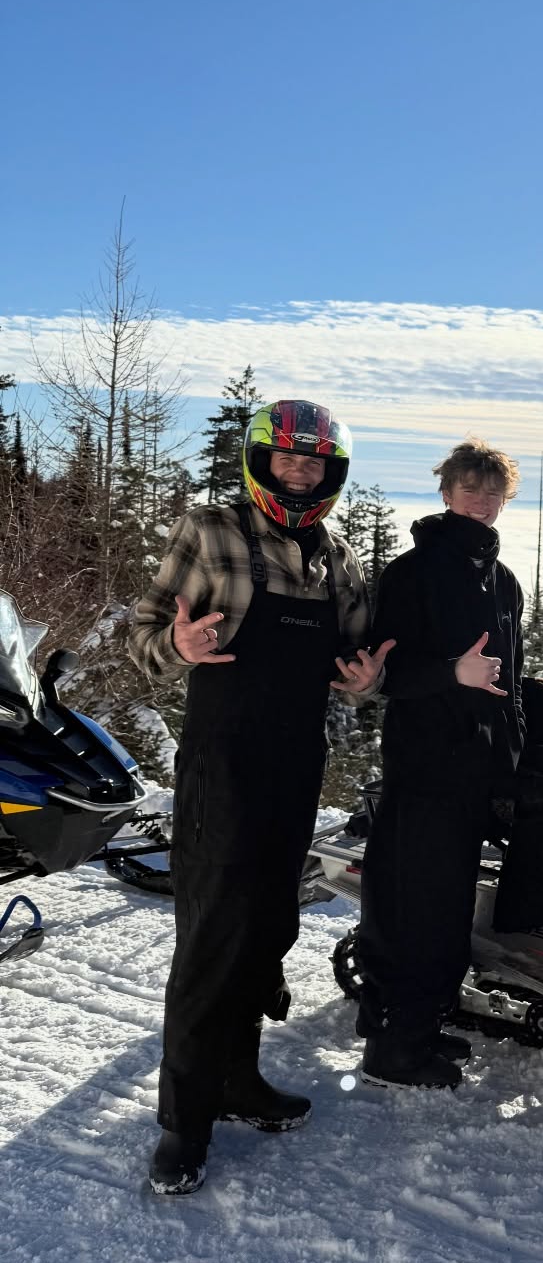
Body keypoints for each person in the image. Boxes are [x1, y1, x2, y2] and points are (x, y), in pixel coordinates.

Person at [130, 400, 389, 1195]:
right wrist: (176, 644)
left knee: (272, 922)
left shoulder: (337, 558)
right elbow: (140, 634)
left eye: (315, 464)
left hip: (293, 761)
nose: (301, 473)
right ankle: (183, 1124)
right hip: (222, 759)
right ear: (262, 460)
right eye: (289, 460)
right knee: (213, 933)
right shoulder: (211, 531)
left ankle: (238, 1080)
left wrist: (364, 685)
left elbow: (353, 669)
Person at [354, 440, 525, 1088]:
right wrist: (452, 672)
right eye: (470, 489)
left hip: (476, 771)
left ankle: (416, 1027)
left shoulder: (501, 580)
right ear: (446, 493)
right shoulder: (413, 572)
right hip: (424, 767)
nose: (482, 502)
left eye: (493, 492)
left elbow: (509, 680)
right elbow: (384, 673)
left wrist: (514, 764)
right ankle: (392, 1048)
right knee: (413, 907)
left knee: (449, 908)